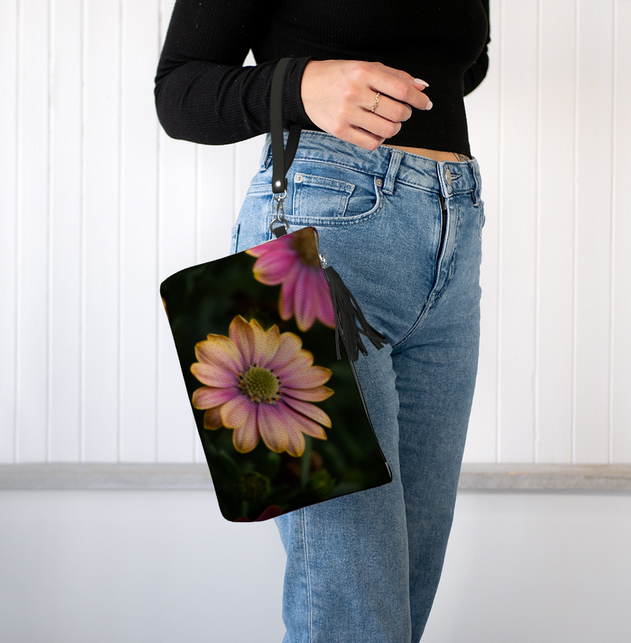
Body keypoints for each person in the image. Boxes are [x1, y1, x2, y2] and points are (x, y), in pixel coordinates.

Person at [155, 2, 490, 641]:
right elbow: (178, 92)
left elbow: (461, 65)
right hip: (321, 236)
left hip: (453, 232)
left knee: (399, 608)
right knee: (354, 612)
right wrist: (301, 85)